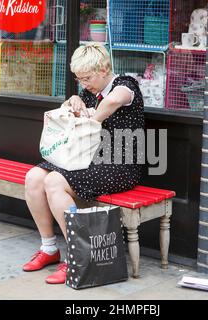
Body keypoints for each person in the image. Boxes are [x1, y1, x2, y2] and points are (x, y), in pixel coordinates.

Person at [23, 43, 145, 284]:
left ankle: (77, 256)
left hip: (121, 164)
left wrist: (91, 117)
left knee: (55, 182)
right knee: (34, 177)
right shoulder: (89, 91)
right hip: (89, 158)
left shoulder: (126, 85)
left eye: (87, 78)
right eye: (79, 79)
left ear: (103, 69)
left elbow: (113, 101)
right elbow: (81, 107)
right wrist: (74, 101)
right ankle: (49, 248)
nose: (84, 83)